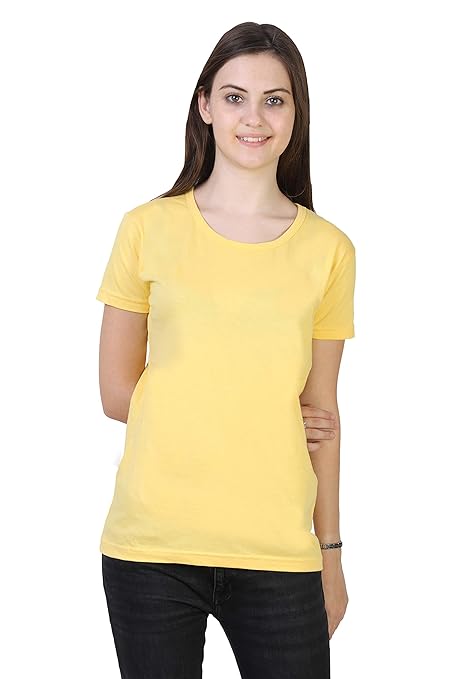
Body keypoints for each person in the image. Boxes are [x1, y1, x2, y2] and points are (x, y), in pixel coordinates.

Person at [96, 21, 356, 679]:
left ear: (296, 113)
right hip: (151, 548)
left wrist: (330, 554)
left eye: (275, 99)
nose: (254, 117)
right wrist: (255, 416)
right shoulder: (146, 229)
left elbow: (321, 418)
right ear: (205, 106)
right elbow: (117, 394)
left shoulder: (328, 250)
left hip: (278, 551)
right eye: (235, 96)